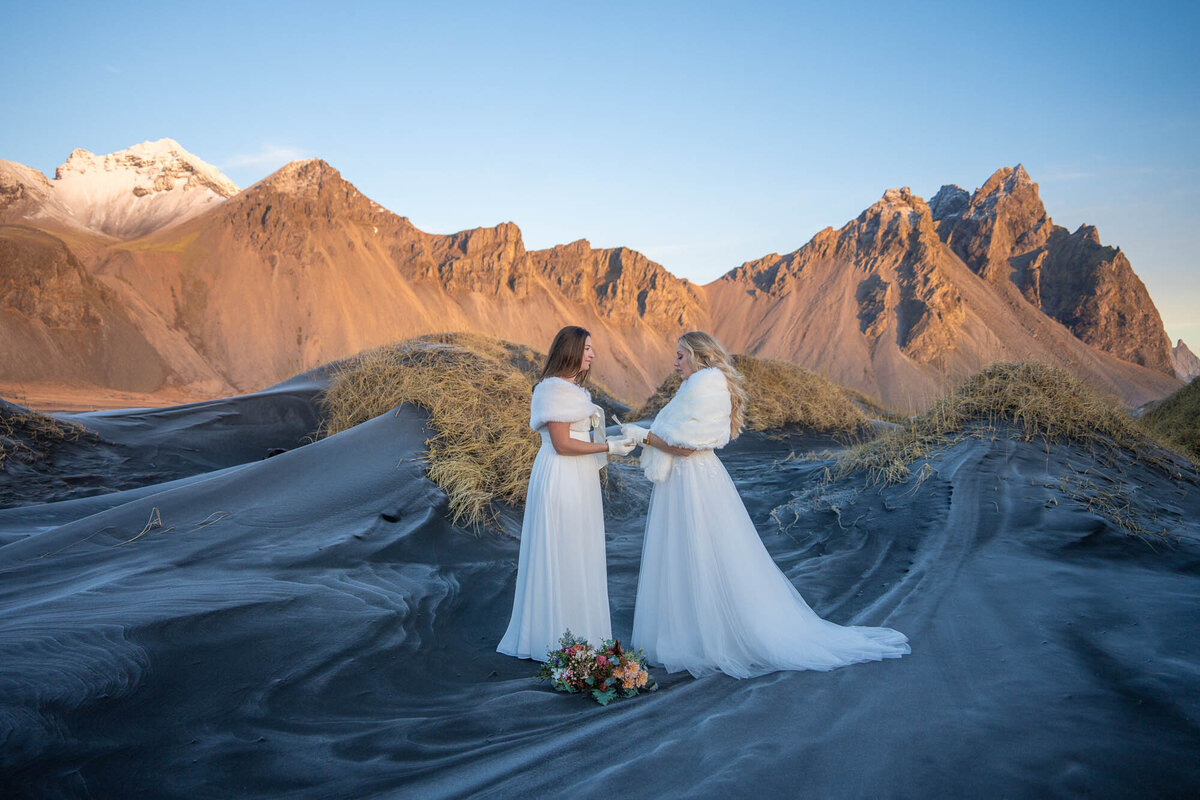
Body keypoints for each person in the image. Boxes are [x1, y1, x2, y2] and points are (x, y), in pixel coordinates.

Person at [622, 331, 910, 679]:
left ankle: (711, 636)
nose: (675, 362)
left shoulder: (706, 387)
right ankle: (689, 634)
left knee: (706, 553)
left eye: (681, 355)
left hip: (695, 482)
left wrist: (643, 437)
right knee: (684, 553)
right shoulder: (693, 387)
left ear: (700, 356)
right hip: (682, 482)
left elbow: (687, 445)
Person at [498, 326, 637, 661]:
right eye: (587, 348)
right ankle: (556, 635)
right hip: (561, 476)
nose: (592, 354)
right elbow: (561, 444)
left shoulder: (571, 390)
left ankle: (578, 631)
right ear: (572, 351)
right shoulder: (553, 390)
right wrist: (608, 446)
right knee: (563, 547)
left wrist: (606, 436)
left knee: (579, 548)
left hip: (578, 476)